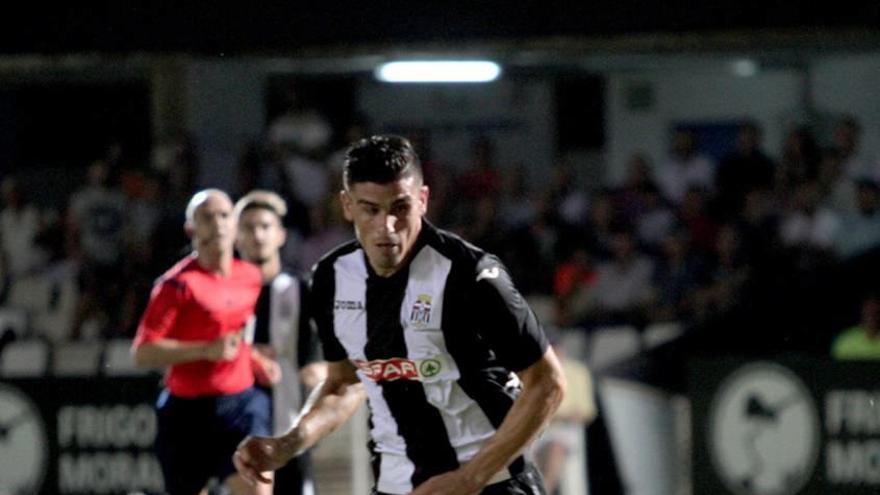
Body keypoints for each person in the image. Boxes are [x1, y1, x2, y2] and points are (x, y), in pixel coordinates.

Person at [234, 135, 567, 495]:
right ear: (347, 205)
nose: (387, 226)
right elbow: (344, 383)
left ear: (423, 200)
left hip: (492, 483)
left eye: (400, 208)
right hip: (398, 485)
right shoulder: (331, 278)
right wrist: (286, 444)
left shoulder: (470, 274)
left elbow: (547, 384)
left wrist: (469, 478)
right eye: (371, 209)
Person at [131, 189, 273, 495]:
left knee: (257, 488)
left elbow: (238, 333)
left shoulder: (250, 276)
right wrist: (206, 350)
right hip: (187, 412)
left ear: (235, 226)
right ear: (191, 229)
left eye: (224, 216)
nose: (218, 224)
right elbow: (143, 352)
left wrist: (254, 359)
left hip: (241, 405)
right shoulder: (176, 285)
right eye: (207, 218)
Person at [234, 190, 328, 495]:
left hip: (288, 423)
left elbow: (323, 357)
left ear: (281, 235)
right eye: (248, 227)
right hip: (234, 424)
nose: (258, 235)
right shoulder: (224, 292)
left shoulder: (301, 289)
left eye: (265, 226)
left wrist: (318, 370)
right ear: (237, 237)